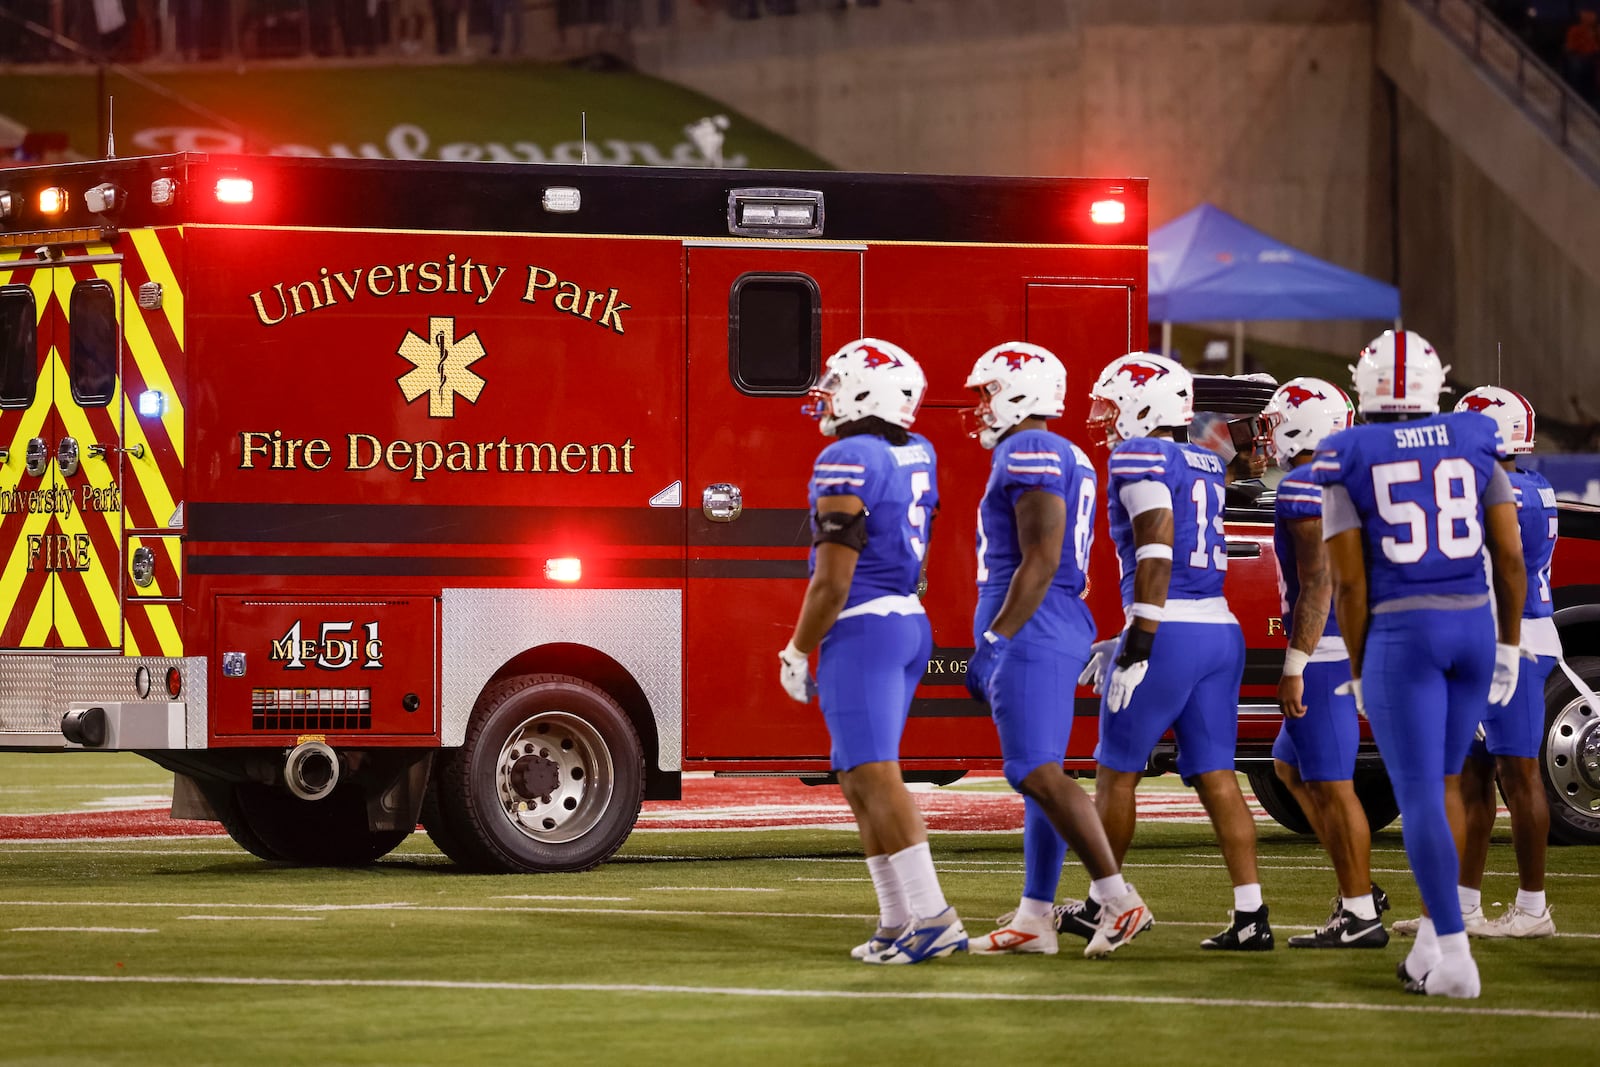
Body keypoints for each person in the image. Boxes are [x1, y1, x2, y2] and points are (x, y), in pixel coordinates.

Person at [1312, 330, 1526, 999]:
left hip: (1406, 633)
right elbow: (1511, 558)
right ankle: (1434, 941)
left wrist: (1356, 664)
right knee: (1451, 779)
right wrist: (1511, 643)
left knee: (1423, 795)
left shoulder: (1348, 454)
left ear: (1363, 385)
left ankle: (1457, 959)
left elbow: (1348, 585)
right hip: (1474, 623)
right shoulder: (1475, 438)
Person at [777, 337, 965, 965]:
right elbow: (924, 543)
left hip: (865, 625)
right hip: (906, 620)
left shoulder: (847, 457)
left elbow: (831, 581)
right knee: (857, 775)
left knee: (878, 776)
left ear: (867, 391)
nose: (825, 392)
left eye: (836, 381)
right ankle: (895, 920)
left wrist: (798, 648)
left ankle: (934, 918)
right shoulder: (918, 449)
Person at [960, 341, 1151, 960]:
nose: (981, 405)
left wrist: (996, 637)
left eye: (989, 391)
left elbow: (1039, 560)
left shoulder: (1029, 447)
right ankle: (1034, 917)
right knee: (1041, 773)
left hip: (1035, 618)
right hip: (1051, 616)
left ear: (1019, 393)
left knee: (1034, 771)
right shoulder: (1064, 451)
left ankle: (1118, 899)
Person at [1080, 352, 1271, 952]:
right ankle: (1251, 914)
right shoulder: (1203, 460)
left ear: (1145, 405)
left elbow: (1157, 550)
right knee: (1217, 776)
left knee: (1116, 774)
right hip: (1218, 628)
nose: (1107, 418)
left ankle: (1107, 906)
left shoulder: (1142, 455)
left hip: (1170, 632)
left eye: (1114, 403)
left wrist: (1138, 637)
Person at [1392, 387, 1559, 939]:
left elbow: (1499, 568)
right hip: (1500, 636)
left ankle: (1534, 908)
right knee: (1473, 773)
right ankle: (1463, 906)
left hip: (1511, 639)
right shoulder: (1528, 485)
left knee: (1519, 771)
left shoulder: (1505, 491)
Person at [1259, 377, 1391, 948]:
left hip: (1327, 653)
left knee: (1335, 786)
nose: (1268, 432)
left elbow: (1319, 582)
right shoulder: (1347, 478)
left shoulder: (1303, 486)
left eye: (1277, 419)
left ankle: (1359, 913)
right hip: (1348, 645)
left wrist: (1295, 662)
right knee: (1288, 768)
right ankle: (1359, 887)